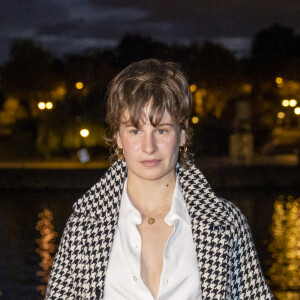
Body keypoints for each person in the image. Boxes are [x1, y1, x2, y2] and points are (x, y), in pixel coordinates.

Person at [46, 59, 274, 299]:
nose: (149, 147)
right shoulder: (83, 226)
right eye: (135, 131)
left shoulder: (227, 223)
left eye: (161, 130)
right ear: (118, 137)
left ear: (182, 134)